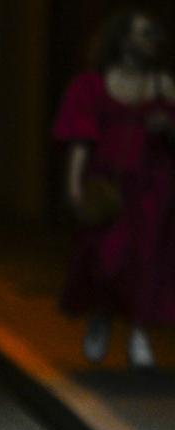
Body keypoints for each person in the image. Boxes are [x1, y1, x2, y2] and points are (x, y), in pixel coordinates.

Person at [54, 10, 175, 368]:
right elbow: (80, 138)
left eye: (153, 34)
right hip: (109, 185)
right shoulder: (92, 85)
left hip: (153, 186)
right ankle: (102, 318)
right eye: (142, 33)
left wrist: (168, 126)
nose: (150, 41)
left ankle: (139, 335)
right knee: (104, 257)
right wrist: (74, 185)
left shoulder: (164, 85)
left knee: (146, 259)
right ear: (122, 39)